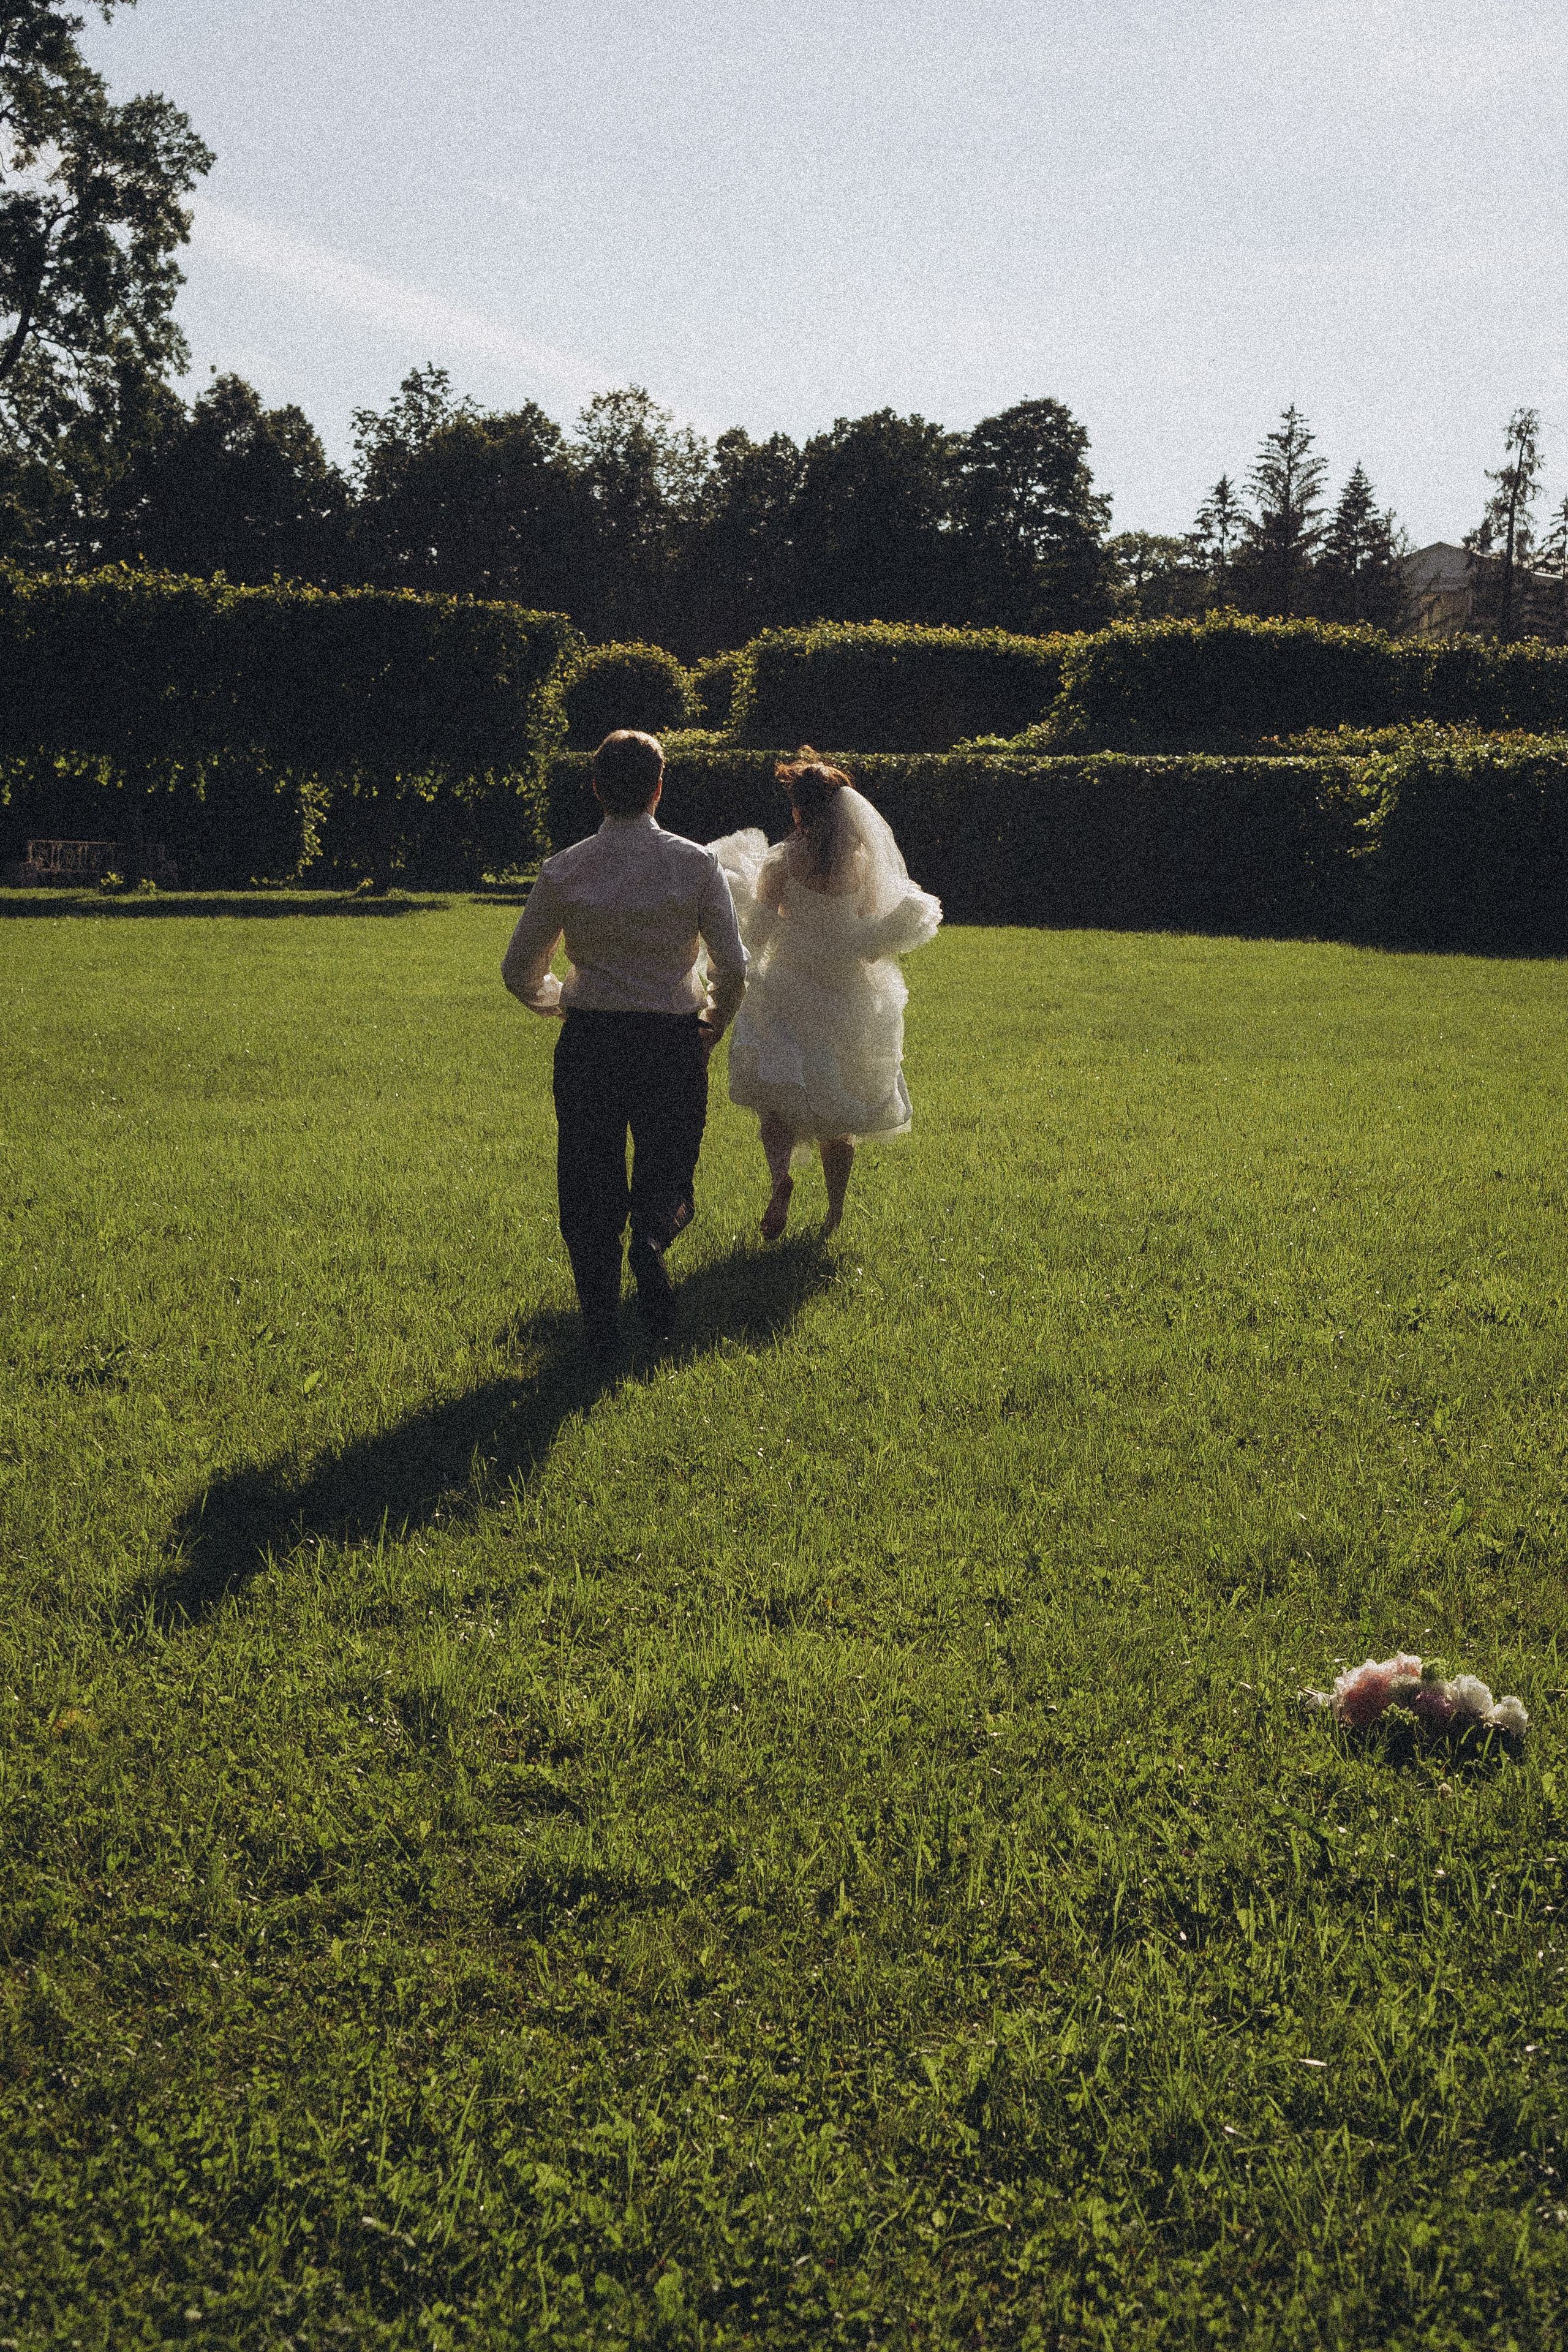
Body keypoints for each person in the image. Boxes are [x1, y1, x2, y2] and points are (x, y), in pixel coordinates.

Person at [502, 729, 747, 1360]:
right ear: (659, 788)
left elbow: (517, 970)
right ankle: (653, 1242)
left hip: (591, 1042)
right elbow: (733, 964)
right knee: (669, 1166)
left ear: (595, 790)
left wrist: (560, 1000)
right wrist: (714, 1019)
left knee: (587, 1183)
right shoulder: (695, 864)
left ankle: (601, 1326)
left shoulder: (565, 868)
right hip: (670, 1038)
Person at [712, 750, 941, 1240]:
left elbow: (758, 934)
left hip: (788, 987)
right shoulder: (863, 864)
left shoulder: (783, 862)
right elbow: (876, 931)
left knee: (777, 1093)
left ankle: (781, 1178)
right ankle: (834, 1214)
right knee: (841, 1106)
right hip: (846, 989)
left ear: (799, 810)